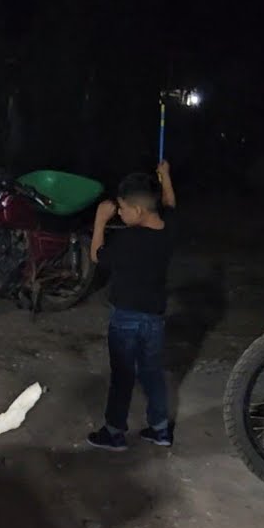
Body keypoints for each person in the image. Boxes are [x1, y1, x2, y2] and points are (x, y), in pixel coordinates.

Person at [86, 162, 177, 451]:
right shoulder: (168, 230)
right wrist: (166, 178)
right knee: (152, 373)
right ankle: (161, 429)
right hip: (154, 319)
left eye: (122, 208)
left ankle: (114, 432)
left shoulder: (126, 239)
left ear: (137, 211)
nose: (120, 213)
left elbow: (97, 256)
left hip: (125, 318)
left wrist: (100, 221)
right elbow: (169, 205)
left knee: (123, 376)